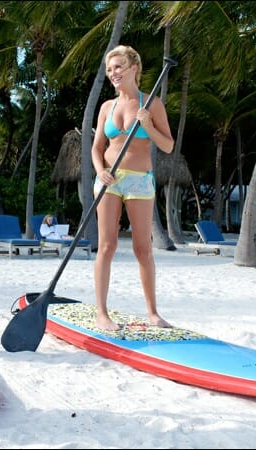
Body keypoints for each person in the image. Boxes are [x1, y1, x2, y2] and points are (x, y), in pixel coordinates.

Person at [91, 45, 175, 331]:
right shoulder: (106, 107)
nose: (113, 73)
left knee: (143, 248)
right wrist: (100, 170)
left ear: (133, 68)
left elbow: (167, 145)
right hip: (109, 181)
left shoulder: (152, 104)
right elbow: (97, 148)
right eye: (110, 69)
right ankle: (102, 314)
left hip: (140, 180)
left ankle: (153, 313)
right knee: (107, 245)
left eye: (118, 67)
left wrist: (148, 125)